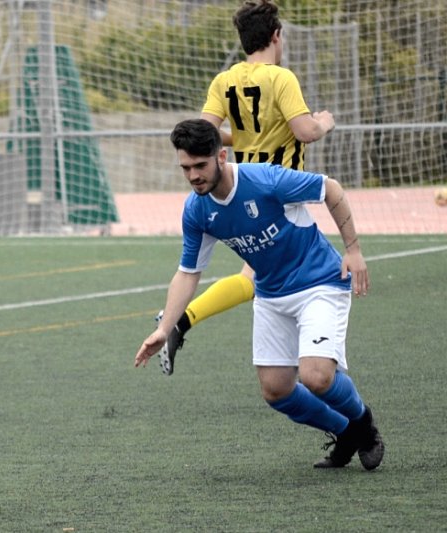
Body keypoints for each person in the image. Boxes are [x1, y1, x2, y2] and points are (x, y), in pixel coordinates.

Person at [136, 119, 384, 470]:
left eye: (200, 166)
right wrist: (166, 327)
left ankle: (364, 425)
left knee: (316, 377)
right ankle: (344, 431)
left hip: (319, 282)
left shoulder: (264, 180)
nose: (193, 176)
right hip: (270, 294)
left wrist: (354, 250)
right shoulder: (197, 209)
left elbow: (331, 189)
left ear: (221, 156)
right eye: (186, 168)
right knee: (276, 390)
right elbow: (188, 272)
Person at [156, 0, 337, 375]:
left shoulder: (225, 81)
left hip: (241, 186)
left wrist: (239, 138)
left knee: (250, 276)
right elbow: (304, 132)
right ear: (276, 35)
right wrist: (323, 123)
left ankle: (181, 322)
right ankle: (182, 321)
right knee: (276, 275)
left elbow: (205, 135)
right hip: (278, 190)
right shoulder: (280, 77)